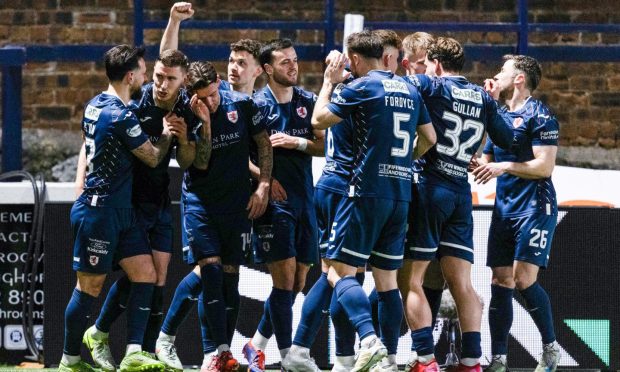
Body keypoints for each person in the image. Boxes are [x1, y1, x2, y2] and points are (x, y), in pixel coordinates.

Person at [302, 30, 433, 372]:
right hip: (400, 194)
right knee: (388, 280)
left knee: (338, 272)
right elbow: (429, 138)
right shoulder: (409, 87)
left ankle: (369, 340)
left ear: (356, 60)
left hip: (364, 192)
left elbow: (318, 121)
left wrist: (329, 83)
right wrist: (403, 163)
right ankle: (388, 357)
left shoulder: (361, 87)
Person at [77, 48, 202, 372]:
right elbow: (89, 142)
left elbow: (187, 162)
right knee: (139, 275)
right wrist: (82, 185)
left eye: (169, 79)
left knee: (156, 278)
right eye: (157, 75)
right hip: (129, 204)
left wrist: (185, 138)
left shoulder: (183, 110)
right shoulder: (134, 102)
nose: (159, 83)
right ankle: (102, 334)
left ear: (183, 81)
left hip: (159, 204)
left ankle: (143, 351)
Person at [402, 37, 514, 372]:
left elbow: (394, 90)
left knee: (412, 280)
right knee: (462, 284)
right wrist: (494, 103)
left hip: (430, 187)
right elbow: (508, 138)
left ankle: (424, 358)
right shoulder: (482, 96)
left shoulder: (431, 85)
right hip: (460, 195)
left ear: (435, 62)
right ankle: (471, 360)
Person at [60, 44, 173, 372]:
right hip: (100, 212)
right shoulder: (120, 115)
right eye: (142, 70)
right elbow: (152, 156)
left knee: (146, 274)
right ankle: (69, 359)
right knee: (89, 287)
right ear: (130, 76)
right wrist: (165, 135)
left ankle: (134, 352)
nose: (146, 75)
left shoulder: (95, 104)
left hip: (121, 212)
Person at [472, 55, 560, 372]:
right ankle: (498, 359)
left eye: (503, 71)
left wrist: (503, 166)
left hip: (536, 206)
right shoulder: (500, 117)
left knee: (523, 279)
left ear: (519, 79)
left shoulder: (541, 116)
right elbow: (485, 157)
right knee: (500, 279)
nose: (497, 75)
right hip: (504, 208)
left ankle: (550, 349)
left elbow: (544, 166)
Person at [242, 38, 324, 372]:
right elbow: (239, 155)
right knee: (283, 280)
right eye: (285, 62)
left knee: (299, 281)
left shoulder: (308, 101)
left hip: (306, 198)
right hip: (275, 203)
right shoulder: (255, 104)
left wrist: (297, 141)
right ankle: (289, 355)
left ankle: (254, 346)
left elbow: (323, 146)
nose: (293, 66)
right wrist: (264, 177)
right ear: (267, 69)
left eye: (295, 60)